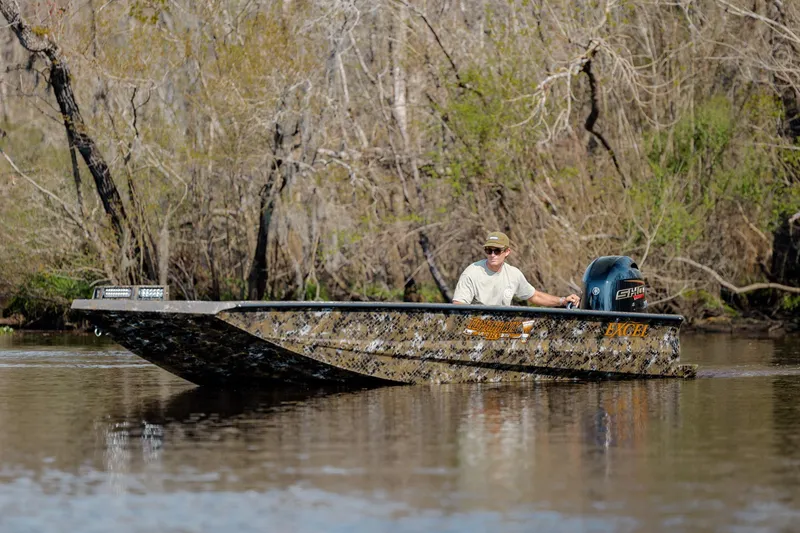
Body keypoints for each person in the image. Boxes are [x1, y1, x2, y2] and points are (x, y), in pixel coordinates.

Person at [452, 232, 581, 307]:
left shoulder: (514, 274)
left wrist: (563, 301)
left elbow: (534, 296)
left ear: (507, 252)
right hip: (475, 328)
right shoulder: (471, 272)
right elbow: (458, 305)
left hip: (502, 329)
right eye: (488, 250)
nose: (492, 254)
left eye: (497, 251)